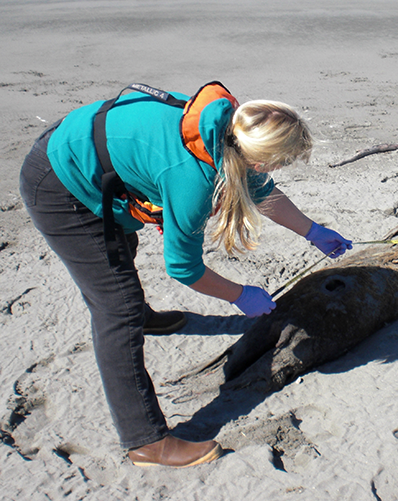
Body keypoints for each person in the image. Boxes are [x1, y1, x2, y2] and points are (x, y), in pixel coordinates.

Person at [19, 81, 352, 468]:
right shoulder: (191, 178)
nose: (281, 168)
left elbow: (261, 192)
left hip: (86, 152)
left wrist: (313, 231)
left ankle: (145, 318)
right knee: (116, 310)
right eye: (282, 161)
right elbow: (182, 268)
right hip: (61, 185)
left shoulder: (229, 131)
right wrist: (239, 294)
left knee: (122, 252)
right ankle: (145, 441)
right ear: (259, 159)